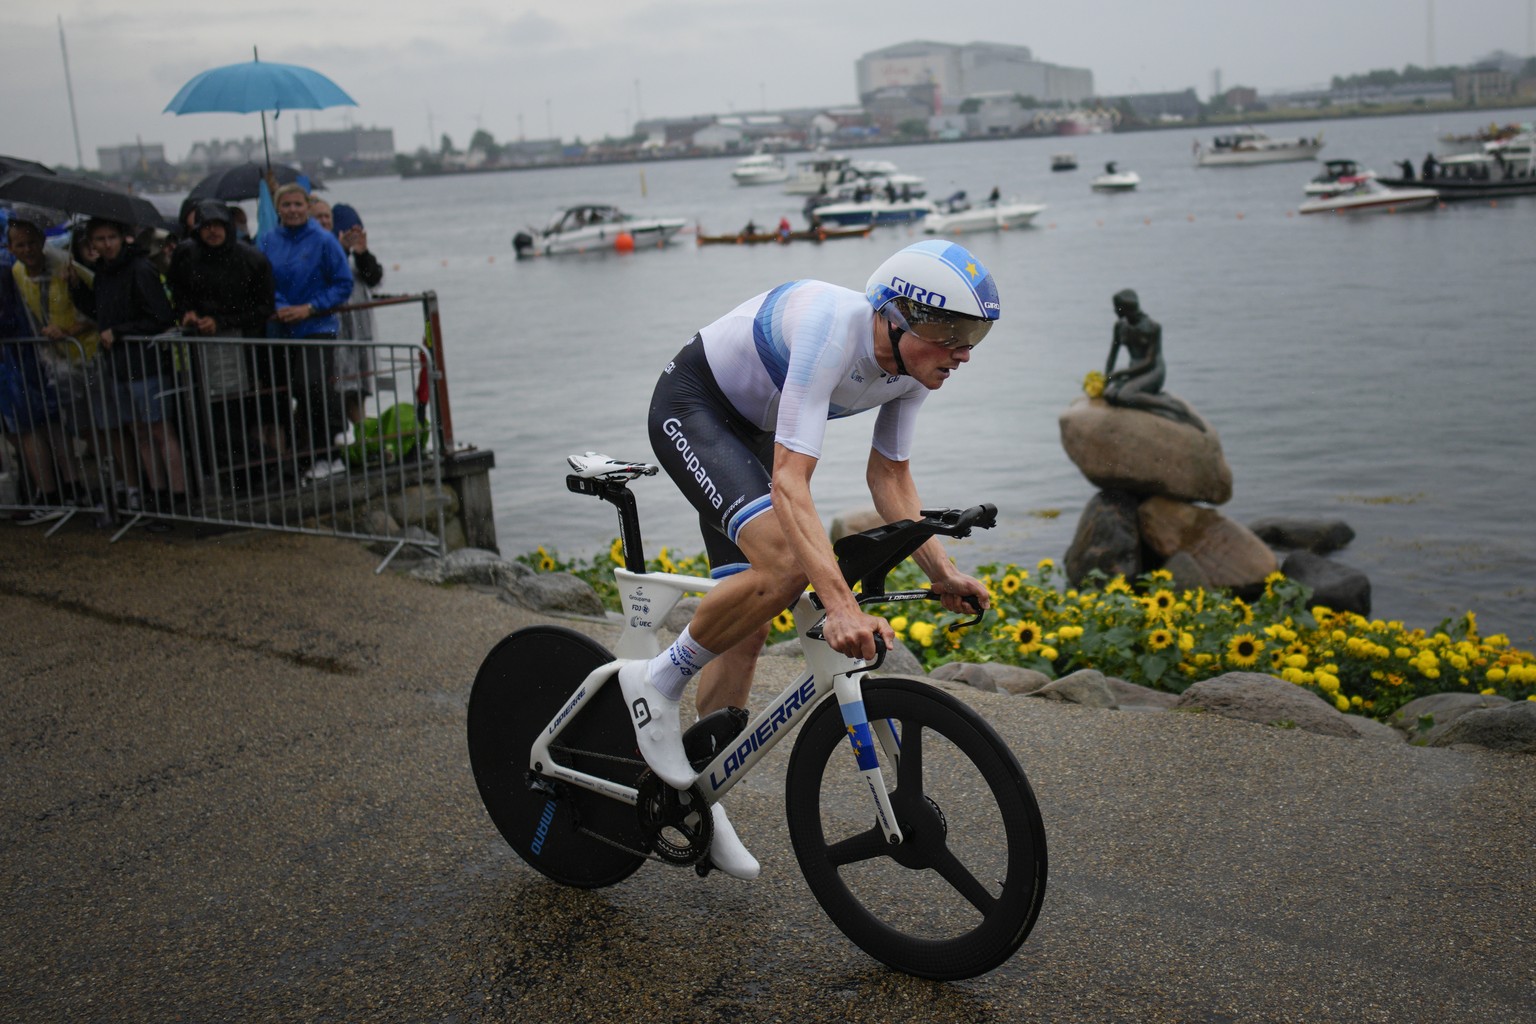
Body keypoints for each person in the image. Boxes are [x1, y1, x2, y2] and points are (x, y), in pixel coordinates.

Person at [621, 239, 997, 879]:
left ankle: (696, 794)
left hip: (756, 434)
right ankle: (655, 682)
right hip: (695, 407)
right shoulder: (832, 329)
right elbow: (791, 484)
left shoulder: (915, 369)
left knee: (750, 619)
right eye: (953, 332)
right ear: (897, 315)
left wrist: (943, 574)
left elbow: (891, 481)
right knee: (786, 567)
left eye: (977, 335)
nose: (964, 353)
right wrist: (840, 606)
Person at [70, 218, 183, 523]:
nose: (106, 244)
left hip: (145, 364)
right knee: (140, 432)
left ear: (122, 238)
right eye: (99, 239)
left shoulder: (141, 268)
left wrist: (119, 331)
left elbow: (161, 317)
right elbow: (101, 311)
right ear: (91, 244)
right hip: (120, 366)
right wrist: (77, 288)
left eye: (111, 238)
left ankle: (177, 497)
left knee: (160, 430)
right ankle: (158, 495)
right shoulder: (104, 274)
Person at [6, 213, 106, 514]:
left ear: (42, 241)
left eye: (32, 243)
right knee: (74, 426)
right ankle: (83, 488)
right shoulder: (16, 273)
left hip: (87, 357)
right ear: (11, 248)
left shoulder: (67, 266)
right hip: (56, 365)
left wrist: (69, 329)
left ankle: (115, 487)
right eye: (20, 245)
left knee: (97, 426)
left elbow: (100, 307)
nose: (27, 250)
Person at [258, 182, 353, 481]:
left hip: (318, 325)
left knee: (311, 383)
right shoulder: (268, 241)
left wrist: (310, 307)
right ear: (278, 209)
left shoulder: (324, 240)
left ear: (307, 207)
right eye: (286, 205)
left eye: (298, 205)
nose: (293, 210)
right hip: (284, 326)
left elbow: (343, 283)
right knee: (293, 391)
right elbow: (262, 281)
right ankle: (312, 454)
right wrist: (282, 305)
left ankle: (333, 449)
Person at [309, 198, 383, 440]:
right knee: (337, 387)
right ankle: (352, 440)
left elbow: (375, 277)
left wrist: (361, 253)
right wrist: (341, 249)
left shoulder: (357, 258)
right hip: (334, 332)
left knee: (358, 388)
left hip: (359, 331)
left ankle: (363, 438)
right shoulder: (321, 249)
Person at [1102, 288, 1203, 432]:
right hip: (1133, 371)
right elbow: (1112, 355)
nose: (1114, 311)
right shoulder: (1120, 326)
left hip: (1152, 371)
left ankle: (1173, 408)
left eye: (1117, 307)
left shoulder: (1152, 327)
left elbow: (1149, 362)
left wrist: (1118, 374)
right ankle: (1148, 399)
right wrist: (1106, 379)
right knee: (1109, 395)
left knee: (1125, 395)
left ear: (1125, 308)